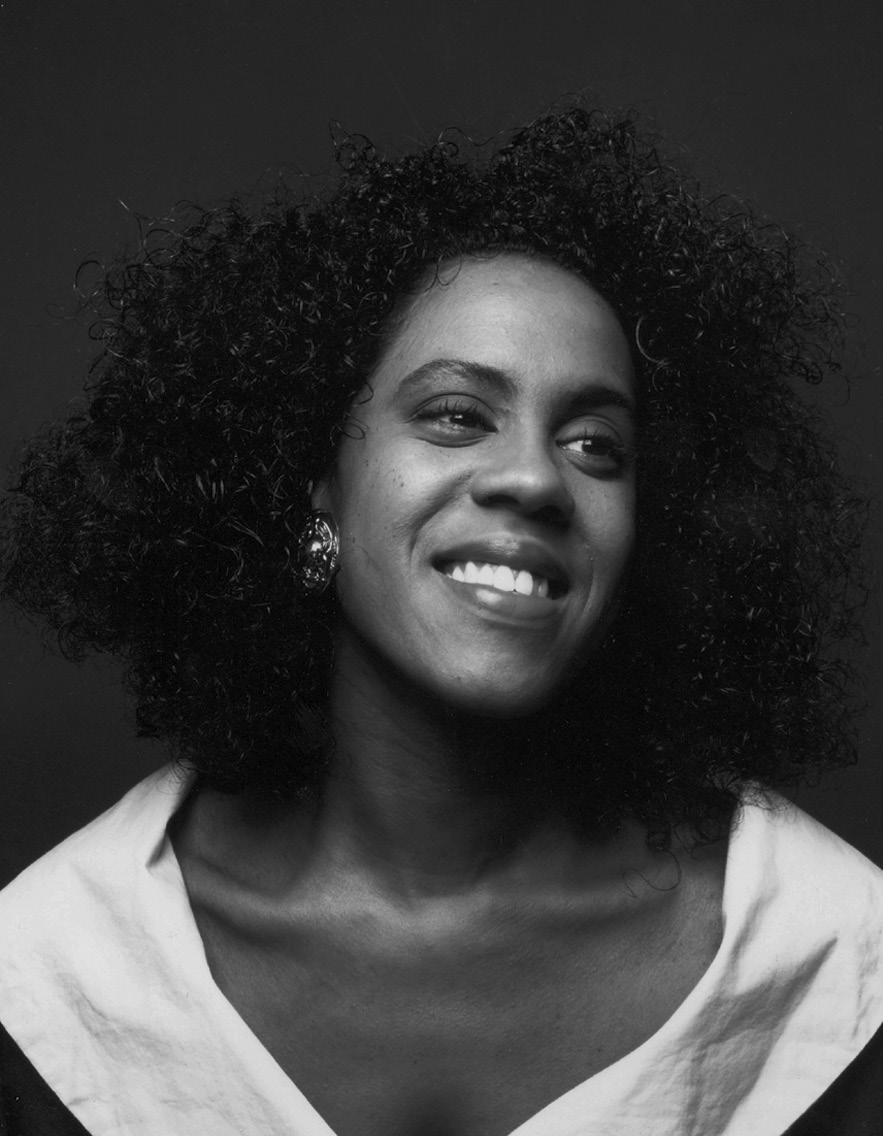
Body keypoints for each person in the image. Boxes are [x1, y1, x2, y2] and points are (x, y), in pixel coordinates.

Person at [0, 105, 879, 1136]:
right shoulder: (62, 970)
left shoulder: (824, 957)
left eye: (595, 446)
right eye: (458, 415)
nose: (534, 479)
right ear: (318, 480)